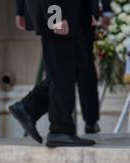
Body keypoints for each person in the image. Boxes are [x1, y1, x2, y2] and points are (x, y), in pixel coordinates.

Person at [10, 0, 112, 143]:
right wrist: (55, 17)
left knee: (73, 66)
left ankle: (29, 107)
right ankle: (59, 129)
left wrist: (87, 12)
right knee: (62, 69)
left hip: (73, 14)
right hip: (60, 12)